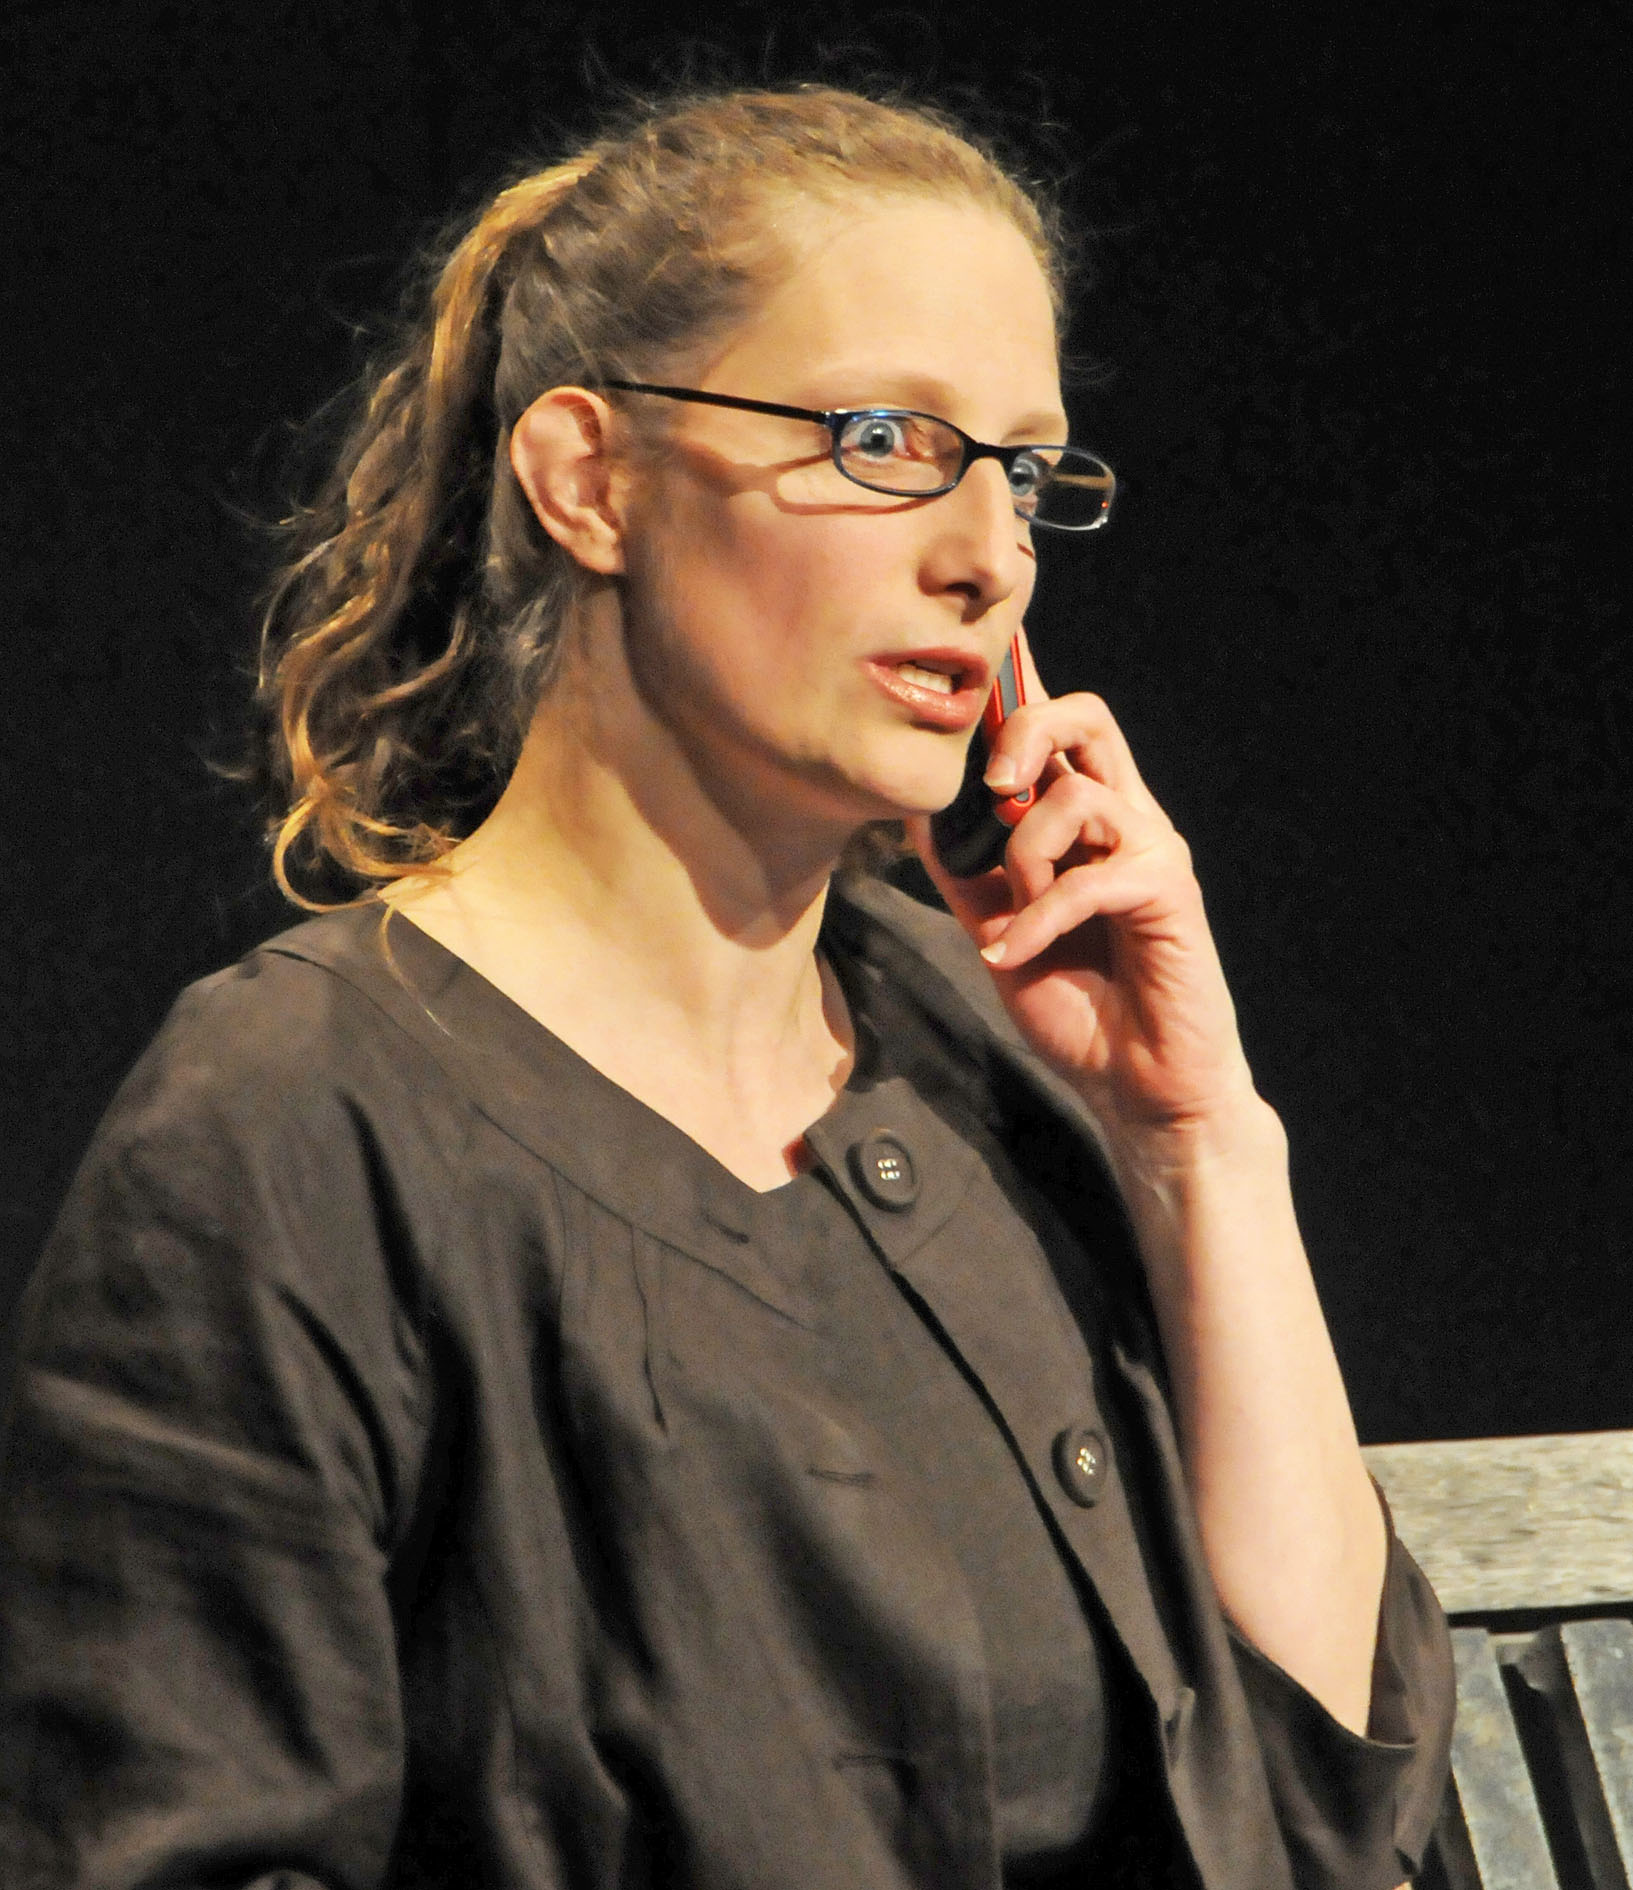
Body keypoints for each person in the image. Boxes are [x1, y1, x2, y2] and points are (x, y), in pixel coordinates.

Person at [0, 86, 1453, 1890]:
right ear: (589, 479)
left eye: (1019, 470)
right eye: (884, 440)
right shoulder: (292, 1120)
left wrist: (1195, 1144)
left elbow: (1322, 1807)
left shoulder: (980, 1049)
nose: (987, 553)